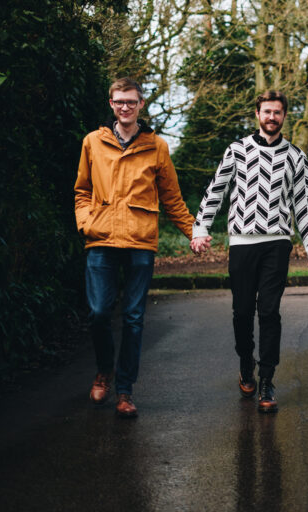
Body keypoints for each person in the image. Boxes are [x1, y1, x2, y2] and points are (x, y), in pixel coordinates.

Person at [190, 90, 308, 413]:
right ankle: (245, 361)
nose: (272, 117)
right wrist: (200, 228)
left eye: (277, 112)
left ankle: (266, 379)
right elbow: (216, 189)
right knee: (242, 311)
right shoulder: (237, 150)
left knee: (270, 312)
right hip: (242, 242)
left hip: (277, 242)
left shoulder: (296, 157)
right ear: (257, 114)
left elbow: (303, 205)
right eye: (267, 111)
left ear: (284, 116)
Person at [74, 77, 195, 418]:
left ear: (141, 104)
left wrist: (193, 232)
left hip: (140, 241)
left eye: (131, 101)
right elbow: (82, 190)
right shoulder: (92, 142)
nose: (124, 107)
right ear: (111, 104)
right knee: (99, 312)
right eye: (119, 101)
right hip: (101, 237)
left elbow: (171, 197)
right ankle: (104, 371)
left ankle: (125, 390)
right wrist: (86, 222)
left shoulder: (157, 146)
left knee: (133, 317)